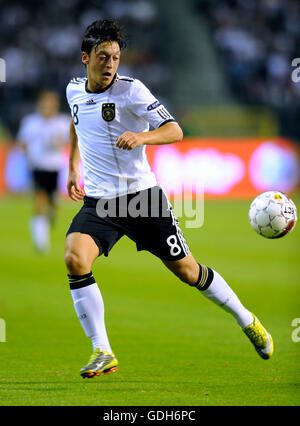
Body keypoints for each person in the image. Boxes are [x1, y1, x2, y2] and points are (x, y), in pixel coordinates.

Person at [65, 19, 274, 379]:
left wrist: (141, 137)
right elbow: (76, 121)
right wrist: (73, 165)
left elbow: (175, 130)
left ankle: (247, 319)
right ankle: (102, 349)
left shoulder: (133, 92)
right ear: (86, 58)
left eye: (115, 56)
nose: (111, 63)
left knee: (188, 271)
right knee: (74, 257)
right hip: (100, 201)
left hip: (141, 199)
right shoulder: (73, 91)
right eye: (103, 56)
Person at [17, 90, 69, 253]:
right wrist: (28, 154)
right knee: (39, 201)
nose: (48, 106)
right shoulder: (30, 122)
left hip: (55, 168)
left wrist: (60, 142)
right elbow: (23, 142)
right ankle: (41, 242)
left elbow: (70, 141)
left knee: (53, 205)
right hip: (37, 167)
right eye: (45, 102)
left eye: (51, 103)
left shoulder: (63, 122)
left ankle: (49, 217)